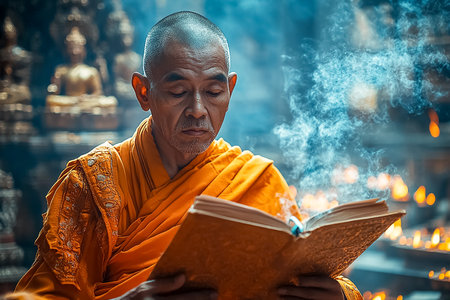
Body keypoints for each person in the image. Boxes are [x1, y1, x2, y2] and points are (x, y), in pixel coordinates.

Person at [9, 11, 362, 300]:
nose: (198, 110)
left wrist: (340, 295)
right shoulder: (95, 185)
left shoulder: (257, 179)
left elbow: (302, 277)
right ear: (143, 91)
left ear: (230, 89)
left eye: (213, 91)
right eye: (178, 91)